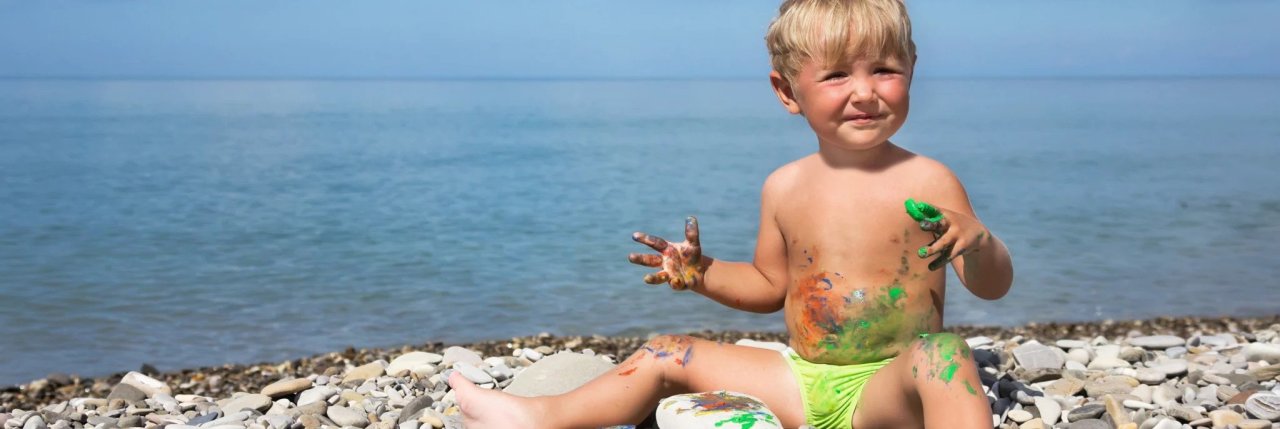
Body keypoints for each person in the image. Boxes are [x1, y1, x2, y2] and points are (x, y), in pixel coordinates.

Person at [448, 0, 1014, 427]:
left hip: (886, 393)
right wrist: (703, 274)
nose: (864, 92)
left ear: (912, 68)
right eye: (837, 75)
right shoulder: (785, 187)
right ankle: (544, 416)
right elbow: (771, 287)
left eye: (883, 70)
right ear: (787, 91)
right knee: (667, 351)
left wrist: (979, 242)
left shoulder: (930, 181)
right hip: (800, 380)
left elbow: (991, 288)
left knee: (943, 355)